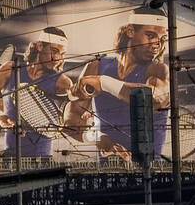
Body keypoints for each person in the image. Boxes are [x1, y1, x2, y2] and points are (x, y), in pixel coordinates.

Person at [67, 9, 170, 160]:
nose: (157, 45)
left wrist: (104, 82)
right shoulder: (95, 67)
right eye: (150, 35)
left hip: (149, 173)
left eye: (162, 39)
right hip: (106, 170)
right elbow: (71, 117)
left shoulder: (158, 69)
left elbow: (155, 99)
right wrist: (96, 137)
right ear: (130, 31)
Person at [0, 27, 76, 158]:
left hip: (42, 158)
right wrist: (1, 116)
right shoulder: (9, 69)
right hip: (10, 156)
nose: (58, 58)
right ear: (40, 46)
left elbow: (77, 102)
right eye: (54, 51)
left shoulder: (63, 82)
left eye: (62, 54)